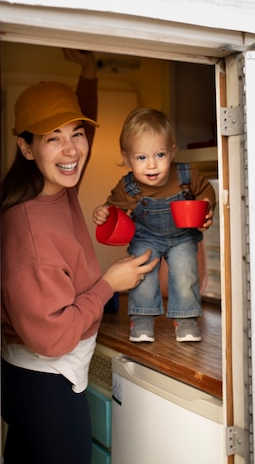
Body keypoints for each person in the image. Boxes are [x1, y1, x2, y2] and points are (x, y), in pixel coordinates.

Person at [0, 50, 158, 464]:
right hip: (44, 380)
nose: (72, 149)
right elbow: (52, 339)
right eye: (53, 138)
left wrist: (88, 74)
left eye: (76, 134)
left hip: (27, 378)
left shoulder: (53, 184)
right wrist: (109, 283)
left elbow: (81, 137)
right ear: (26, 147)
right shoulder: (30, 231)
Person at [92, 107, 216, 343]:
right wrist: (102, 212)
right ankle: (141, 319)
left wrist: (207, 205)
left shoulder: (186, 175)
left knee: (184, 272)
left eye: (159, 155)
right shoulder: (128, 186)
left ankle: (186, 319)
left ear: (172, 152)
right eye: (141, 157)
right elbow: (112, 209)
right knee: (143, 273)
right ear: (127, 158)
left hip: (183, 236)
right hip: (146, 236)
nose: (151, 165)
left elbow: (205, 191)